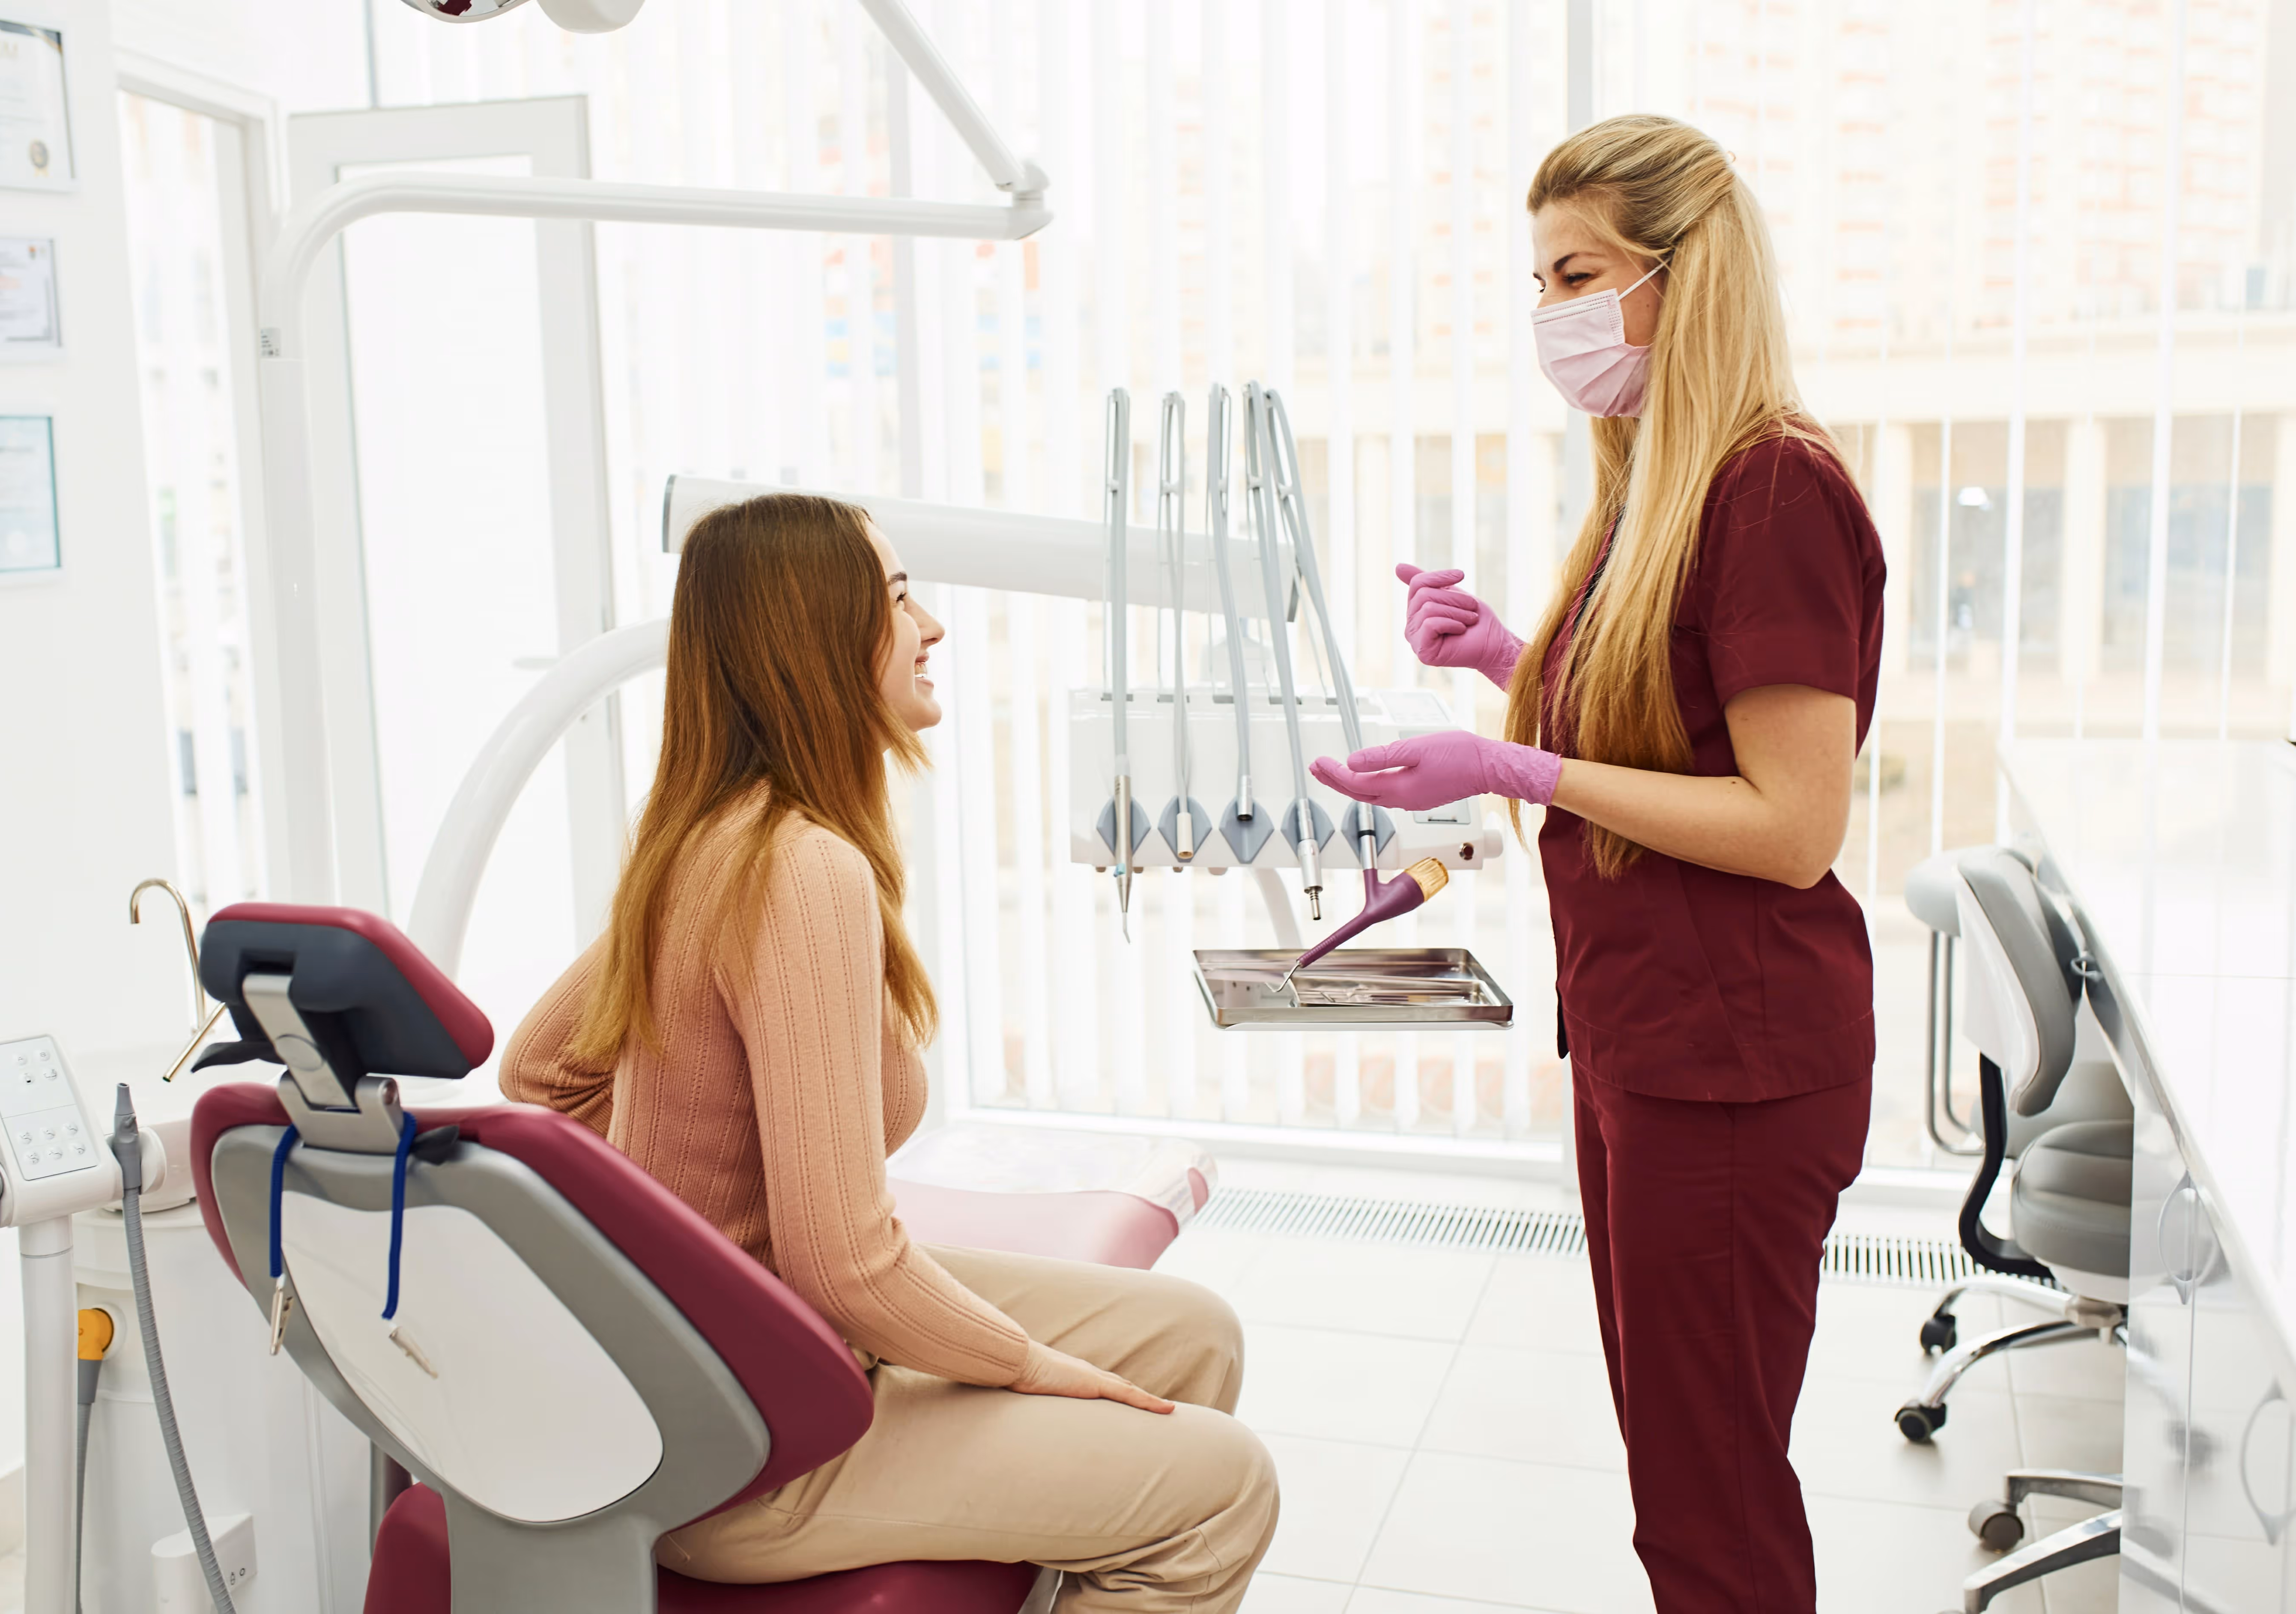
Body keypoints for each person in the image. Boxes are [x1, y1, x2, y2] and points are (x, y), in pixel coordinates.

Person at [502, 493, 1278, 1612]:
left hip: (735, 1348)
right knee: (1227, 1488)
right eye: (900, 596)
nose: (933, 626)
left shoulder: (706, 835)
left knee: (1189, 1333)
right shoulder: (799, 868)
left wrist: (693, 1245)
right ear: (814, 637)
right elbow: (845, 1265)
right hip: (744, 1448)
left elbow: (539, 1074)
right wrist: (1017, 1364)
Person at [1314, 115, 1885, 1613]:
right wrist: (1505, 654)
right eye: (1538, 282)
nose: (1550, 317)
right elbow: (1671, 731)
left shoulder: (1772, 491)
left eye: (1578, 275)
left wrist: (1512, 762)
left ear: (1681, 276)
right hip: (1643, 1041)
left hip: (1736, 1064)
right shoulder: (1658, 486)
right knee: (1675, 1471)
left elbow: (1790, 826)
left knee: (1709, 1501)